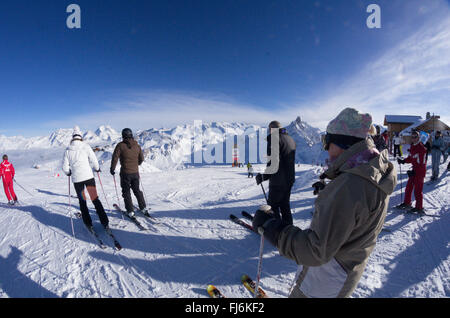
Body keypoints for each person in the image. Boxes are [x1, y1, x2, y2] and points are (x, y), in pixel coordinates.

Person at [252, 108, 396, 298]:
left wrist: (274, 229)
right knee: (285, 205)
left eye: (327, 142)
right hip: (346, 268)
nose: (326, 149)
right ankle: (285, 224)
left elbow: (314, 250)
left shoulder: (349, 186)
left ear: (345, 142)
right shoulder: (372, 169)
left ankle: (278, 223)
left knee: (274, 207)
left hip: (326, 278)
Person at [62, 126, 109, 230]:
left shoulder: (67, 150)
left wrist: (68, 172)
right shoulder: (86, 146)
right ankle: (105, 222)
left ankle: (88, 223)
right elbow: (94, 160)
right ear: (80, 137)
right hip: (88, 177)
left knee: (82, 201)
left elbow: (64, 167)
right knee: (94, 198)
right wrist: (97, 169)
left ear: (73, 138)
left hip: (77, 180)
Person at [256, 121, 296, 225]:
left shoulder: (274, 139)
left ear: (272, 129)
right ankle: (288, 229)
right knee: (284, 205)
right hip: (289, 179)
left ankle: (277, 233)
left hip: (278, 181)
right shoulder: (290, 139)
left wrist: (263, 177)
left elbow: (273, 163)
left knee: (273, 206)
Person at [110, 128, 148, 217]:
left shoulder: (120, 145)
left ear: (123, 136)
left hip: (125, 173)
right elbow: (142, 159)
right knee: (137, 190)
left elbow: (115, 158)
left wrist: (112, 169)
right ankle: (143, 208)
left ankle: (130, 211)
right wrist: (136, 164)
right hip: (135, 173)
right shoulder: (137, 145)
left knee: (126, 192)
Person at [396, 130, 427, 213]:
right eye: (412, 137)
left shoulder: (421, 148)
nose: (413, 138)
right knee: (409, 187)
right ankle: (407, 203)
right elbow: (410, 158)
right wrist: (403, 161)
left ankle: (419, 207)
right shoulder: (413, 146)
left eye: (415, 137)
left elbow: (422, 163)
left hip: (420, 172)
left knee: (417, 190)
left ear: (418, 137)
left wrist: (416, 172)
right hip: (414, 170)